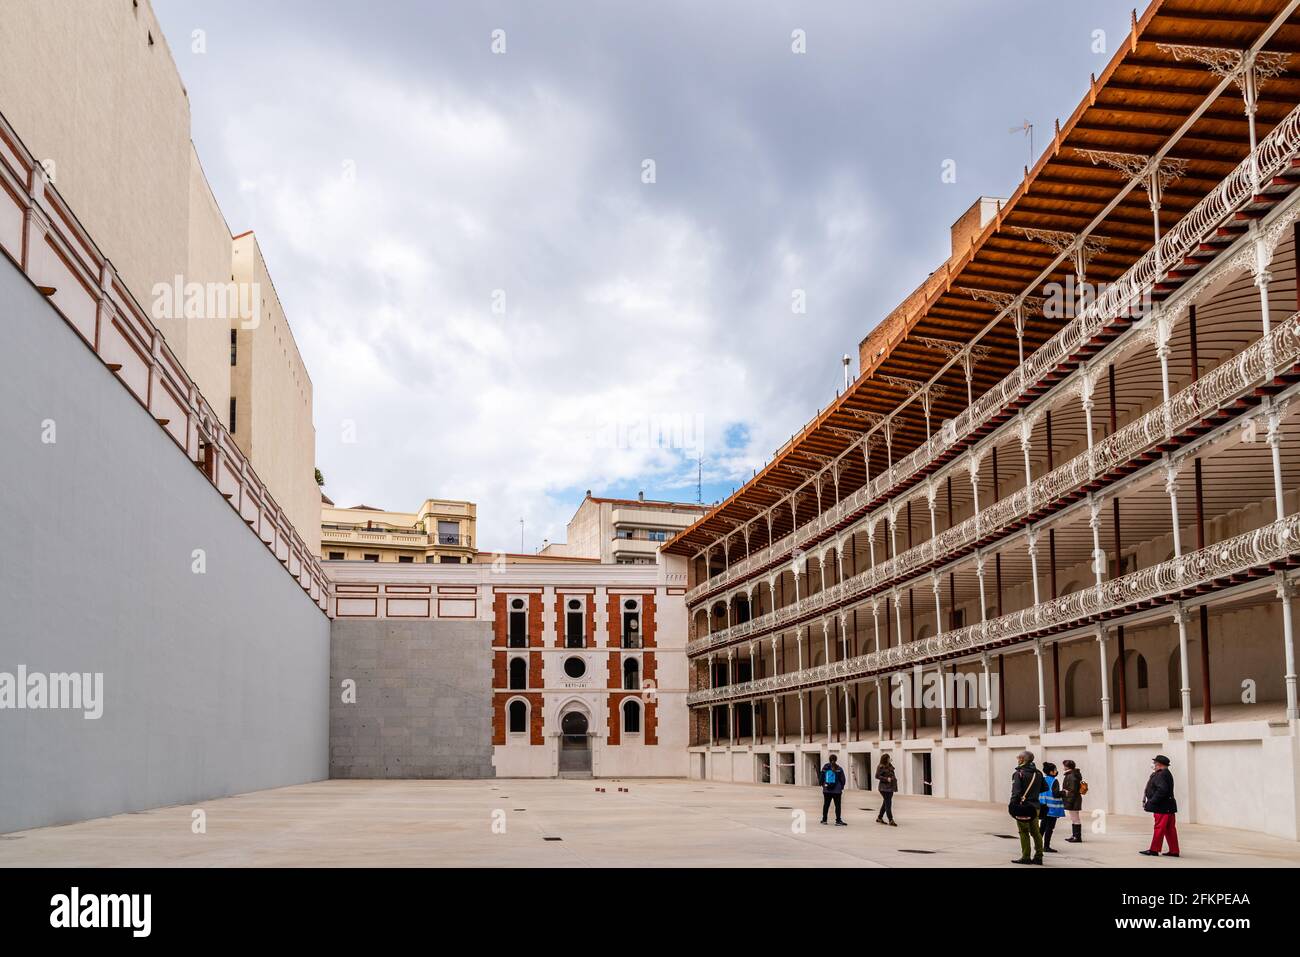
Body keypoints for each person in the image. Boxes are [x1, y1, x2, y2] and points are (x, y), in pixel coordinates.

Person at [1009, 750, 1045, 865]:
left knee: (1023, 831)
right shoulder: (1038, 773)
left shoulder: (1019, 773)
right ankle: (1039, 856)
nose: (1017, 759)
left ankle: (1026, 857)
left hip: (1023, 807)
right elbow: (1044, 788)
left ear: (1022, 760)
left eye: (1018, 757)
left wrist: (1013, 805)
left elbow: (1016, 792)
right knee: (1036, 832)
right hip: (1035, 807)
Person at [1139, 754, 1179, 857]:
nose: (1154, 764)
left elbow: (1162, 790)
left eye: (1155, 763)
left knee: (1159, 828)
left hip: (1162, 807)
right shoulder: (1165, 773)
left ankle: (1154, 850)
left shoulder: (1161, 774)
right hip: (1169, 807)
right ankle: (1174, 851)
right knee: (1170, 829)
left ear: (1160, 764)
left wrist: (1152, 801)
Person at [1038, 762, 1065, 853]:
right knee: (1049, 828)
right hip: (1052, 808)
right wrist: (1064, 792)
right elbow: (1056, 794)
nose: (1056, 771)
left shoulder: (1043, 779)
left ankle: (1037, 845)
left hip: (1043, 807)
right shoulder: (1054, 781)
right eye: (1055, 770)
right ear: (1051, 772)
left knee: (1042, 827)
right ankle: (1046, 846)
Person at [1060, 759, 1084, 843]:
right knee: (1074, 818)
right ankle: (1075, 836)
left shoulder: (1071, 776)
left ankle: (1077, 837)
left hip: (1073, 800)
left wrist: (1069, 802)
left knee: (1075, 819)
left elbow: (1072, 790)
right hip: (1074, 799)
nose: (1063, 767)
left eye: (1064, 766)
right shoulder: (1072, 774)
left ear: (1067, 767)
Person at [820, 754, 847, 826]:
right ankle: (838, 820)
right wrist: (841, 787)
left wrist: (823, 785)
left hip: (827, 790)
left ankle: (824, 820)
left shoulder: (825, 768)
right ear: (836, 759)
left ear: (829, 759)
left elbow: (821, 777)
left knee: (826, 805)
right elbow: (843, 780)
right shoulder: (839, 768)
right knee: (837, 806)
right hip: (837, 791)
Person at [875, 754, 898, 826]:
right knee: (888, 803)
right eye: (888, 758)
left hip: (890, 787)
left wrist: (889, 764)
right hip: (884, 788)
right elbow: (877, 776)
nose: (889, 759)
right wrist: (886, 779)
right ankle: (891, 820)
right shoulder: (880, 766)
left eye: (889, 758)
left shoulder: (888, 765)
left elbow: (892, 770)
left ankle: (879, 817)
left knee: (886, 802)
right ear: (885, 759)